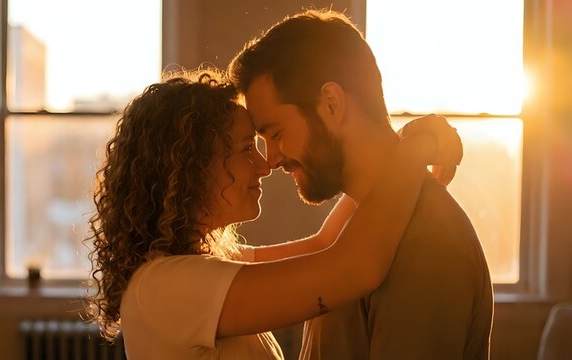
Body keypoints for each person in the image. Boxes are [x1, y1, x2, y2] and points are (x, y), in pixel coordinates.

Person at [85, 68, 462, 358]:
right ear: (191, 167)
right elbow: (355, 267)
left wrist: (393, 155)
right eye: (246, 147)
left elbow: (325, 244)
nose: (265, 165)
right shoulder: (167, 287)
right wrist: (413, 153)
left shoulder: (197, 269)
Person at [228, 9, 493, 359]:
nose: (271, 159)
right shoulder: (362, 225)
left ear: (332, 103)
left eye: (275, 134)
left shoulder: (426, 242)